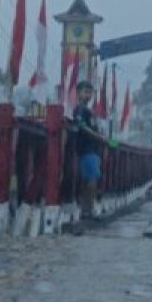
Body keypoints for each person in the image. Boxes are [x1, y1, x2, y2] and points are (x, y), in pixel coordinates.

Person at [71, 80, 102, 218]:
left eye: (90, 92)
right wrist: (97, 136)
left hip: (93, 149)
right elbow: (81, 126)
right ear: (78, 93)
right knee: (91, 179)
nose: (88, 95)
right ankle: (88, 209)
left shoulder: (89, 111)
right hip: (87, 149)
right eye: (86, 92)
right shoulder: (79, 109)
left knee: (89, 179)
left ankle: (86, 209)